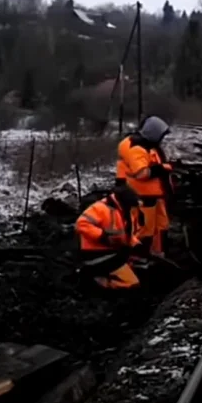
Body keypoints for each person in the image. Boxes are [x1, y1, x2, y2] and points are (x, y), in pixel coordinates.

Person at [116, 115, 175, 258]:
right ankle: (139, 258)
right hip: (144, 197)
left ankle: (157, 253)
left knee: (161, 226)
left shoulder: (148, 147)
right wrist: (161, 169)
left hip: (155, 196)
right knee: (145, 230)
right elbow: (142, 173)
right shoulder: (137, 148)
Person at [75, 185, 144, 290]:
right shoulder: (100, 208)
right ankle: (97, 281)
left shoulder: (125, 211)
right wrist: (102, 236)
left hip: (113, 252)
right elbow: (81, 224)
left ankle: (110, 273)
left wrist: (136, 244)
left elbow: (125, 234)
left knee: (134, 262)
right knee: (132, 283)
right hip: (96, 255)